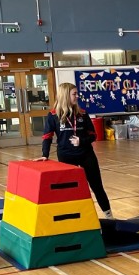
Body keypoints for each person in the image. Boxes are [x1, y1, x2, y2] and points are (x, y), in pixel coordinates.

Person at [37, 82, 113, 218]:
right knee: (70, 189)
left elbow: (93, 135)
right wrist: (44, 154)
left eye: (77, 93)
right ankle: (74, 218)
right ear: (66, 95)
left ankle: (109, 215)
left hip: (86, 154)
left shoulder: (82, 114)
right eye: (74, 94)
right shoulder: (53, 115)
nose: (77, 96)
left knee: (97, 186)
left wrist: (81, 141)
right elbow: (47, 137)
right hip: (66, 156)